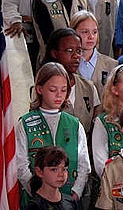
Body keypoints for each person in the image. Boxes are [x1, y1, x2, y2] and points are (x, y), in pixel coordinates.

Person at [16, 62, 91, 201]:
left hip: (69, 198)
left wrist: (76, 192)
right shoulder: (25, 124)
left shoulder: (74, 124)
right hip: (36, 200)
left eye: (63, 90)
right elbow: (21, 164)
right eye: (53, 90)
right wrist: (36, 192)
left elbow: (84, 164)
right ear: (39, 89)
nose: (59, 95)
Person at [42, 28, 101, 134]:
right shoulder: (43, 86)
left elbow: (95, 127)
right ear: (54, 53)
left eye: (79, 51)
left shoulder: (89, 87)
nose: (76, 56)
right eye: (69, 51)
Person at [72, 10, 118, 100]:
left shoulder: (112, 65)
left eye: (94, 32)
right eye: (85, 32)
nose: (91, 37)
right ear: (73, 33)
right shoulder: (67, 65)